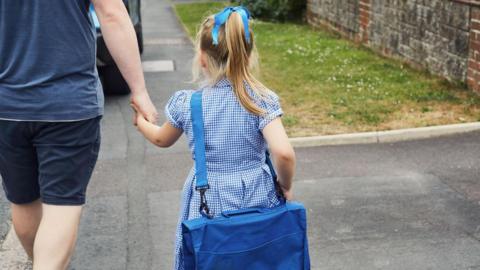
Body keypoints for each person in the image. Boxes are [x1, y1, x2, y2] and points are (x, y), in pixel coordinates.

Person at [133, 6, 296, 270]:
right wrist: (285, 184)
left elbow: (162, 139)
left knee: (210, 257)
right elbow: (284, 153)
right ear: (249, 55)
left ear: (202, 58)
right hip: (258, 191)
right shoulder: (260, 100)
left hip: (207, 196)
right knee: (256, 255)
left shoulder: (189, 104)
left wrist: (141, 123)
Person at [0, 0, 157, 269]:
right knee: (60, 207)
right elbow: (112, 14)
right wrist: (139, 90)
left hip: (8, 105)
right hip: (68, 103)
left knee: (23, 202)